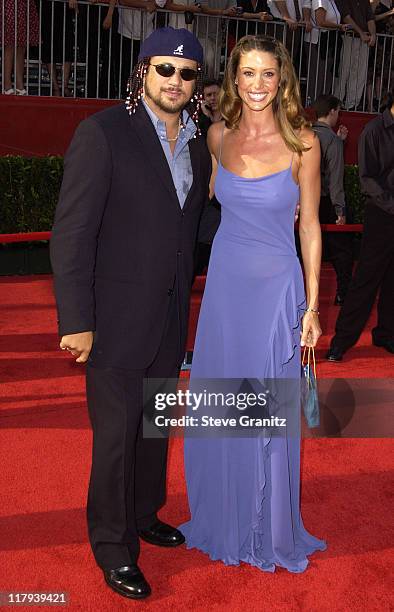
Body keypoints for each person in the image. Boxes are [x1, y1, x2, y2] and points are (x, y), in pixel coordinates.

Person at [50, 27, 212, 599]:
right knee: (116, 441)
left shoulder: (198, 141)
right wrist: (76, 319)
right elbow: (72, 234)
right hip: (113, 319)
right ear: (142, 70)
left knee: (152, 430)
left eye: (187, 72)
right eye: (164, 69)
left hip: (168, 318)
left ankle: (145, 514)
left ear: (197, 82)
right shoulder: (103, 132)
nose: (175, 80)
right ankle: (113, 547)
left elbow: (187, 229)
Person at [179, 34, 326, 572]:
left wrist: (310, 308)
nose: (258, 84)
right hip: (224, 289)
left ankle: (267, 526)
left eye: (268, 74)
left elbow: (310, 227)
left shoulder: (304, 144)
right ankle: (224, 514)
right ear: (234, 80)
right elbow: (212, 196)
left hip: (275, 291)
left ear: (282, 79)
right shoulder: (218, 136)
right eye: (248, 74)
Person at [326, 89, 394, 362]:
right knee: (366, 279)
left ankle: (386, 333)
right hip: (381, 214)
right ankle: (341, 341)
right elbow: (367, 179)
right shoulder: (374, 131)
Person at [313, 94, 353, 305]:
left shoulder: (303, 134)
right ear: (332, 112)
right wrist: (340, 211)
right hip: (325, 203)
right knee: (342, 252)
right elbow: (335, 180)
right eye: (338, 111)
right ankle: (343, 294)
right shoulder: (332, 141)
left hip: (302, 201)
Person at [335, 0, 376, 111]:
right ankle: (337, 103)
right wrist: (361, 33)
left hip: (364, 41)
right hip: (349, 37)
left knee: (359, 73)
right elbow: (346, 18)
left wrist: (373, 34)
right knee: (344, 71)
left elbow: (370, 19)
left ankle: (352, 104)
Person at [0, 0, 39, 94]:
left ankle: (19, 85)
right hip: (8, 3)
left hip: (24, 4)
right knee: (9, 43)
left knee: (21, 45)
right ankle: (7, 85)